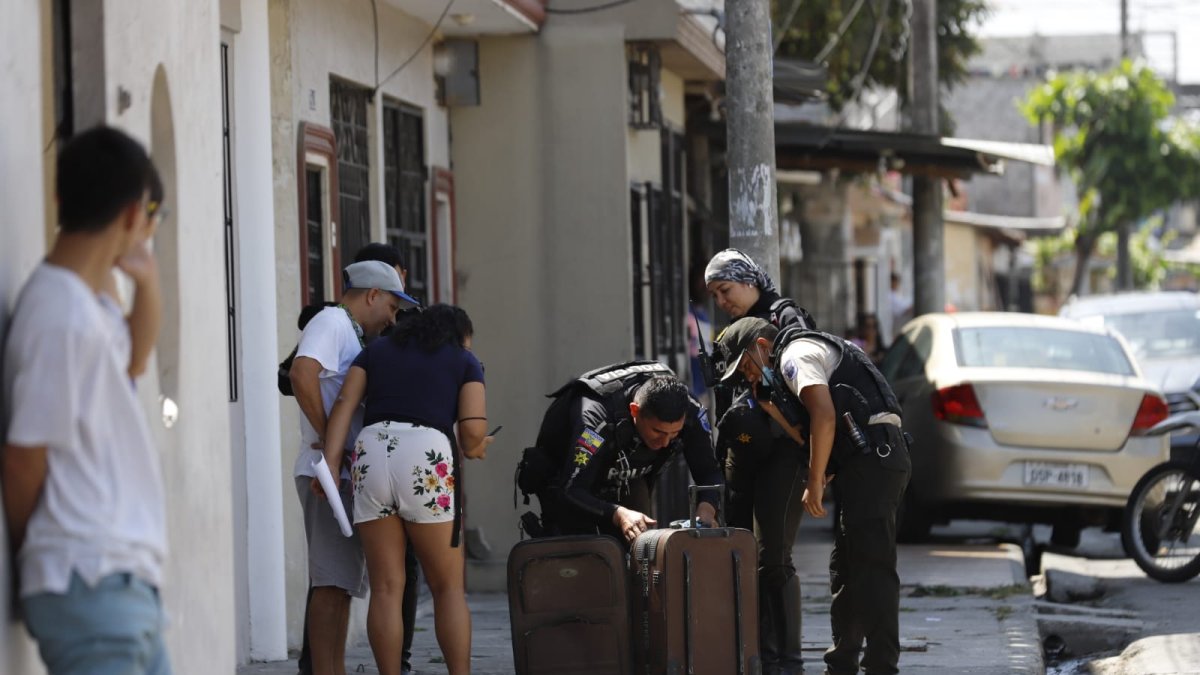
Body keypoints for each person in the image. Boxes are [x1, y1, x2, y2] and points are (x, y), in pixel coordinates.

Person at [2, 126, 171, 674]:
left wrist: (146, 283)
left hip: (120, 582)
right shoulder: (61, 316)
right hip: (88, 577)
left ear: (59, 200)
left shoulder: (85, 304)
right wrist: (46, 547)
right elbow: (24, 456)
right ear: (129, 217)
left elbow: (135, 360)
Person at [717, 317, 912, 675]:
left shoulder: (796, 354)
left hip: (874, 458)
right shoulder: (793, 366)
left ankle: (882, 666)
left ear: (762, 346)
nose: (748, 376)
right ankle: (842, 663)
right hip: (867, 460)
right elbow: (810, 432)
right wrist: (772, 407)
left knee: (871, 568)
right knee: (847, 566)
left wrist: (815, 479)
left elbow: (824, 415)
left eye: (746, 366)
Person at [319, 304, 492, 675]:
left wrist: (332, 466)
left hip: (372, 452)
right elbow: (473, 434)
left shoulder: (376, 352)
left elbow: (345, 404)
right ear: (460, 334)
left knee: (385, 587)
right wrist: (477, 448)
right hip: (426, 455)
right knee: (447, 587)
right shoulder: (465, 360)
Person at [293, 243, 422, 675]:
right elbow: (301, 373)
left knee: (341, 585)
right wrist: (332, 439)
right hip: (326, 474)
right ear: (371, 295)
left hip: (341, 472)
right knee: (331, 585)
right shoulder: (332, 321)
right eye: (391, 304)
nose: (392, 317)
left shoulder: (351, 331)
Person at [705, 248, 815, 674]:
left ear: (749, 281)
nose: (721, 301)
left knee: (773, 558)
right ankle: (756, 654)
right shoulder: (730, 330)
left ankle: (787, 662)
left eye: (726, 290)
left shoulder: (787, 317)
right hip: (742, 451)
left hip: (784, 452)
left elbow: (808, 383)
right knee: (740, 556)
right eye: (714, 295)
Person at [521, 364, 723, 546]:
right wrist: (618, 514)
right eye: (658, 432)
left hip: (627, 477)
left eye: (674, 434)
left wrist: (706, 510)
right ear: (634, 411)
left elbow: (710, 472)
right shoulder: (595, 420)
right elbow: (572, 489)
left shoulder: (692, 411)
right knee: (586, 560)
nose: (664, 443)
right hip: (569, 480)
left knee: (641, 551)